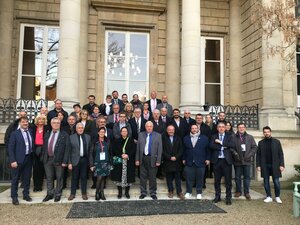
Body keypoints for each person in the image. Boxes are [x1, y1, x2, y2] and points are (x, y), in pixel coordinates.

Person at [42, 117, 70, 202]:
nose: (56, 124)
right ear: (51, 124)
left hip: (59, 160)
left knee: (59, 178)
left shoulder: (64, 134)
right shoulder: (47, 134)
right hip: (48, 159)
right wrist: (43, 157)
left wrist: (65, 161)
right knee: (49, 178)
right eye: (54, 123)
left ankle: (58, 194)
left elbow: (67, 149)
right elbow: (44, 147)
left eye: (58, 123)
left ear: (60, 124)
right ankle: (50, 194)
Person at [8, 116, 34, 205]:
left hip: (28, 158)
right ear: (20, 123)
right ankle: (14, 197)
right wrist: (12, 160)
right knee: (15, 179)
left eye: (27, 122)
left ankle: (26, 194)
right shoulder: (15, 133)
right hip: (17, 160)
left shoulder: (30, 131)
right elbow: (10, 148)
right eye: (23, 122)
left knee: (27, 178)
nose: (25, 123)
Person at [256, 126, 285, 204]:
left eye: (268, 132)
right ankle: (268, 196)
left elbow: (281, 154)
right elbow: (258, 155)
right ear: (263, 133)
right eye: (265, 132)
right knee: (266, 182)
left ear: (270, 132)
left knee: (276, 182)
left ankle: (277, 196)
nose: (266, 133)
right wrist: (258, 165)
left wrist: (282, 165)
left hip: (275, 165)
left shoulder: (277, 142)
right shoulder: (260, 143)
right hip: (265, 165)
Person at [135, 121, 162, 200]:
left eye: (150, 126)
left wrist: (158, 160)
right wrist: (137, 159)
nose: (149, 128)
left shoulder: (158, 135)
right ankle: (143, 192)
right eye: (147, 126)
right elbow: (138, 148)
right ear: (145, 127)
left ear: (152, 127)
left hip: (153, 159)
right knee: (142, 177)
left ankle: (153, 192)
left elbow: (160, 149)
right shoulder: (140, 135)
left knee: (152, 177)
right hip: (143, 158)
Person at [183, 124, 210, 199]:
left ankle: (199, 192)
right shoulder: (186, 138)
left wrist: (208, 159)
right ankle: (189, 192)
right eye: (193, 128)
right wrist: (183, 158)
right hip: (189, 161)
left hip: (201, 161)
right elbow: (184, 150)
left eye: (196, 128)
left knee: (200, 178)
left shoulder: (205, 138)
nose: (194, 129)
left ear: (198, 129)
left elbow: (207, 150)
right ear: (190, 129)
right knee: (188, 178)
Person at [210, 122, 234, 205]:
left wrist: (220, 143)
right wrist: (223, 147)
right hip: (217, 161)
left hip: (226, 161)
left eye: (223, 127)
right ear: (217, 128)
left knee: (228, 181)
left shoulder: (229, 136)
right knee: (217, 181)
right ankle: (217, 196)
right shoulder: (213, 136)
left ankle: (228, 198)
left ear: (225, 128)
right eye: (219, 127)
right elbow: (211, 146)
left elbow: (232, 145)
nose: (221, 128)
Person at [67, 123, 92, 201]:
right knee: (74, 177)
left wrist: (91, 163)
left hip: (84, 160)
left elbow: (90, 151)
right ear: (76, 129)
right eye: (79, 128)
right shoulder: (71, 137)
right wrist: (69, 162)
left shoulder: (88, 137)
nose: (80, 129)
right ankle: (72, 194)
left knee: (84, 177)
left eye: (82, 128)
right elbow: (69, 151)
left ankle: (84, 193)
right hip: (75, 160)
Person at [233, 123, 257, 200]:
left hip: (247, 160)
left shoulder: (250, 137)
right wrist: (235, 154)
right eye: (239, 127)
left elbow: (254, 147)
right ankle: (238, 191)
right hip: (238, 160)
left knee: (247, 177)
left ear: (245, 128)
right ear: (237, 129)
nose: (241, 128)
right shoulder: (233, 137)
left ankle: (246, 192)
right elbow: (231, 148)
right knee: (237, 177)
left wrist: (250, 155)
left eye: (242, 127)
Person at [111, 127, 136, 199]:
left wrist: (127, 155)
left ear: (127, 132)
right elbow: (114, 149)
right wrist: (121, 155)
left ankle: (127, 192)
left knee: (128, 177)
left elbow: (133, 150)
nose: (124, 132)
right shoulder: (117, 141)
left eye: (125, 131)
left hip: (128, 161)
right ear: (121, 132)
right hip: (119, 161)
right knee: (118, 177)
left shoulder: (131, 140)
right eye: (123, 131)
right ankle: (120, 192)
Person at [90, 127, 112, 201]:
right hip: (97, 162)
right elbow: (91, 153)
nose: (102, 133)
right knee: (99, 178)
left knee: (103, 178)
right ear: (98, 133)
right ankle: (97, 192)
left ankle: (102, 193)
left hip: (105, 162)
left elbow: (110, 152)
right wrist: (91, 164)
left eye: (103, 132)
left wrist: (110, 163)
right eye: (101, 132)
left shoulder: (108, 140)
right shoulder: (94, 141)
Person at [162, 125, 184, 200]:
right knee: (169, 178)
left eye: (172, 130)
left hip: (177, 161)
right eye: (169, 130)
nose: (171, 131)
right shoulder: (164, 138)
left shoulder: (178, 138)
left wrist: (176, 157)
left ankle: (179, 192)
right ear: (167, 131)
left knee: (178, 178)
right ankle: (170, 191)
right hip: (168, 161)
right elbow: (162, 150)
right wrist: (169, 157)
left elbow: (181, 149)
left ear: (174, 130)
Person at [32, 114, 49, 192]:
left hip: (44, 149)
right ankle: (36, 186)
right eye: (39, 119)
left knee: (42, 169)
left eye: (42, 119)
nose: (41, 120)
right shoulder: (33, 128)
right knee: (36, 169)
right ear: (37, 120)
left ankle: (40, 186)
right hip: (35, 149)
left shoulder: (47, 128)